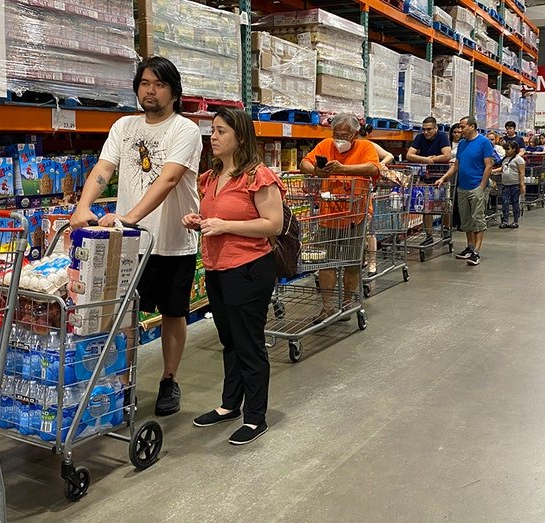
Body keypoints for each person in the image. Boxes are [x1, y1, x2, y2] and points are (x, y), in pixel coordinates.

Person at [71, 56, 201, 417]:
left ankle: (169, 379)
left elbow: (169, 178)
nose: (150, 90)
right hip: (130, 244)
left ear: (174, 92)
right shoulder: (124, 127)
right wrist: (83, 207)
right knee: (124, 314)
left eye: (158, 84)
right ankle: (124, 382)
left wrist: (130, 217)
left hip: (172, 241)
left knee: (174, 314)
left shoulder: (185, 130)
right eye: (144, 83)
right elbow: (104, 168)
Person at [182, 108, 283, 445]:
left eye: (221, 131)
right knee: (229, 340)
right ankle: (230, 405)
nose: (214, 137)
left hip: (249, 268)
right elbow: (217, 217)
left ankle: (256, 417)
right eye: (212, 131)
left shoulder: (257, 176)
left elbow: (273, 225)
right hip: (217, 268)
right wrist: (198, 220)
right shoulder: (210, 178)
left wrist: (225, 226)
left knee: (249, 342)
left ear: (240, 136)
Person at [300, 113, 378, 322]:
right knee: (326, 263)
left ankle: (346, 303)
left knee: (352, 263)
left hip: (356, 216)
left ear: (354, 134)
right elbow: (304, 163)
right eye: (336, 134)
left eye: (344, 135)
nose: (339, 139)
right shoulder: (326, 144)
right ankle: (327, 307)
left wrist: (344, 169)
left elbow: (372, 168)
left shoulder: (365, 148)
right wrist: (316, 170)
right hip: (329, 215)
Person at [434, 116, 494, 266]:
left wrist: (482, 186)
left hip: (477, 187)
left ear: (472, 127)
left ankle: (477, 252)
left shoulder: (484, 142)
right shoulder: (461, 144)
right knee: (466, 220)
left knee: (478, 220)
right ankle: (470, 247)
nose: (460, 130)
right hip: (463, 188)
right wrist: (443, 178)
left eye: (463, 127)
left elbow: (488, 166)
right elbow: (456, 165)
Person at [358, 124, 395, 276]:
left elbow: (389, 156)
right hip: (349, 193)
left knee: (370, 232)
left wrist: (378, 166)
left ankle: (372, 262)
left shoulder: (369, 145)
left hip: (366, 192)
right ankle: (361, 260)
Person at [494, 140, 525, 229]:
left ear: (514, 149)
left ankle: (515, 221)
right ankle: (505, 221)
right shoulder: (505, 159)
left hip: (515, 185)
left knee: (515, 203)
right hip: (505, 185)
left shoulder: (519, 160)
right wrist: (492, 171)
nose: (506, 151)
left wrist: (522, 185)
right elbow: (502, 168)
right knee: (505, 203)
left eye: (508, 149)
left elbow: (521, 172)